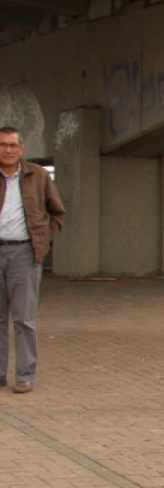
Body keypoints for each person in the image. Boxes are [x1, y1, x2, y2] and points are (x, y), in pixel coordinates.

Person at [0, 126, 66, 394]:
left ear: (21, 148)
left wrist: (43, 240)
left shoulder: (37, 176)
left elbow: (57, 212)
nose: (7, 150)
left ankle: (25, 374)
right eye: (3, 145)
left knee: (24, 318)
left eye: (12, 145)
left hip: (25, 253)